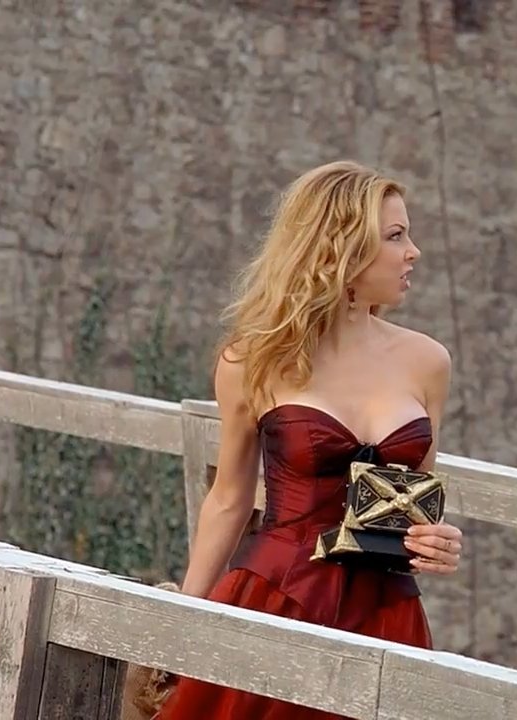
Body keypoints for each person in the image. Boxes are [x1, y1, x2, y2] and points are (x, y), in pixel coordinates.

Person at [156, 160, 464, 719]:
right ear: (340, 247)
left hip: (388, 619)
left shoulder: (428, 361)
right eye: (395, 236)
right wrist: (184, 621)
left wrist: (434, 542)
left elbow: (414, 505)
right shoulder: (251, 359)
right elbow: (229, 499)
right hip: (274, 602)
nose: (413, 252)